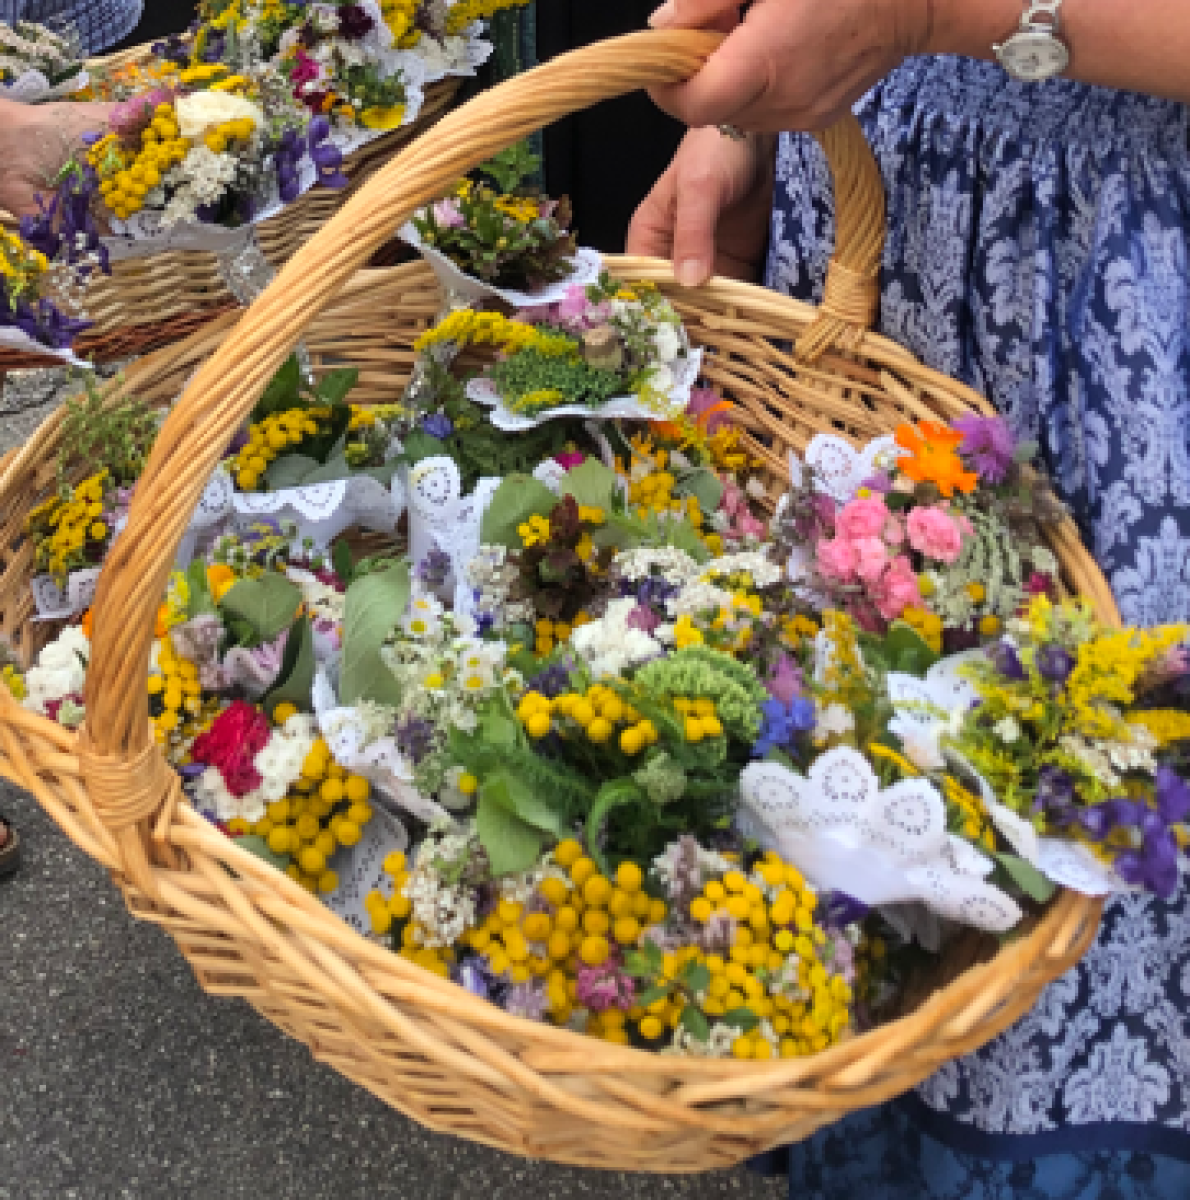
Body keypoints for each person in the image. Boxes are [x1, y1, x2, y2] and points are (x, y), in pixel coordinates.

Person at [628, 0, 1190, 1196]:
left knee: (1073, 877)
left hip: (1128, 301)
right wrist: (750, 111)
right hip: (891, 219)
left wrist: (936, 16)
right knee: (870, 826)